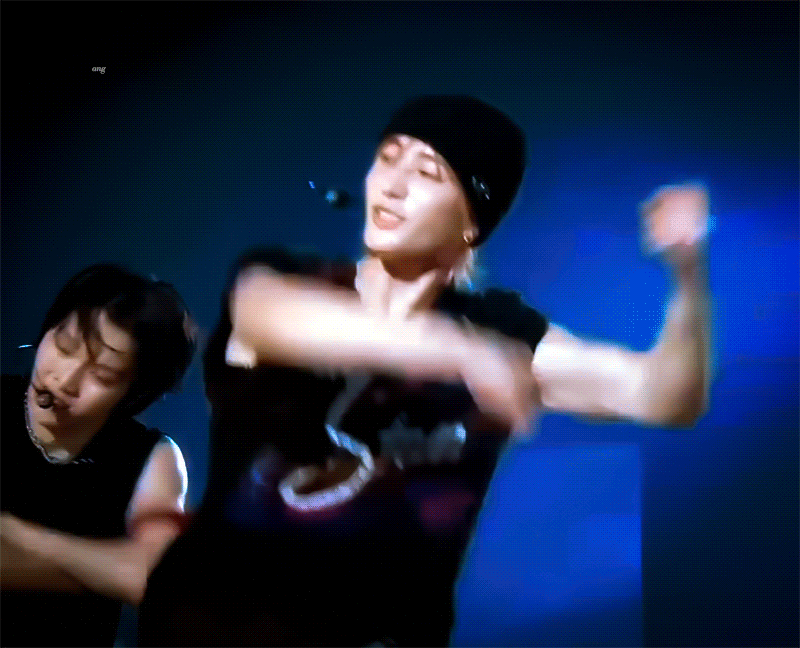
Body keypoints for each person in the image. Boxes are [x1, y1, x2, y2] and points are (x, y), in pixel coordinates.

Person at [140, 95, 710, 646]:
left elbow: (665, 398)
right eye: (388, 158)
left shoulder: (503, 332)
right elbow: (267, 315)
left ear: (472, 223)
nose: (392, 185)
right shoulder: (289, 280)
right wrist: (461, 352)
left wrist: (688, 272)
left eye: (427, 172)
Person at [1, 264, 196, 647]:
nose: (65, 380)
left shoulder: (152, 456)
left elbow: (152, 579)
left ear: (134, 392)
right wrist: (99, 572)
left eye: (102, 376)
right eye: (64, 346)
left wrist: (25, 537)